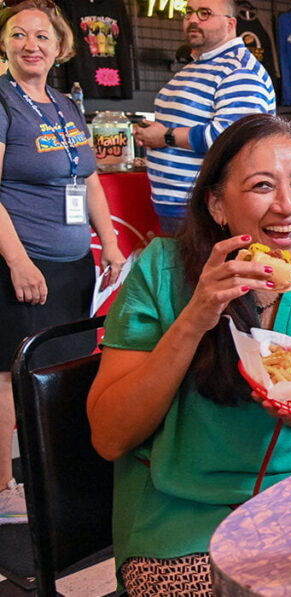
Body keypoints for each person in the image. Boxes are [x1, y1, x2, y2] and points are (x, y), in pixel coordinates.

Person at [87, 114, 291, 595]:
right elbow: (110, 437)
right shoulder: (162, 270)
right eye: (262, 186)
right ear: (218, 206)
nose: (288, 206)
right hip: (185, 522)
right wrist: (195, 318)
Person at [0, 0, 125, 524]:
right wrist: (17, 261)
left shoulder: (63, 103)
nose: (32, 44)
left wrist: (110, 243)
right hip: (22, 266)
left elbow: (89, 179)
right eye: (19, 34)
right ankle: (4, 490)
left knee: (61, 367)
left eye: (42, 36)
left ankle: (54, 472)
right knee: (9, 378)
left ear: (60, 46)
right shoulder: (2, 101)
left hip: (73, 264)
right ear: (4, 43)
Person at [133, 0, 275, 235]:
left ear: (231, 24)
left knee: (210, 272)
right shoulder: (197, 65)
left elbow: (234, 138)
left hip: (208, 208)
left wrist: (166, 136)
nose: (193, 19)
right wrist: (150, 134)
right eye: (188, 12)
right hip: (179, 205)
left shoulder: (238, 69)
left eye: (205, 13)